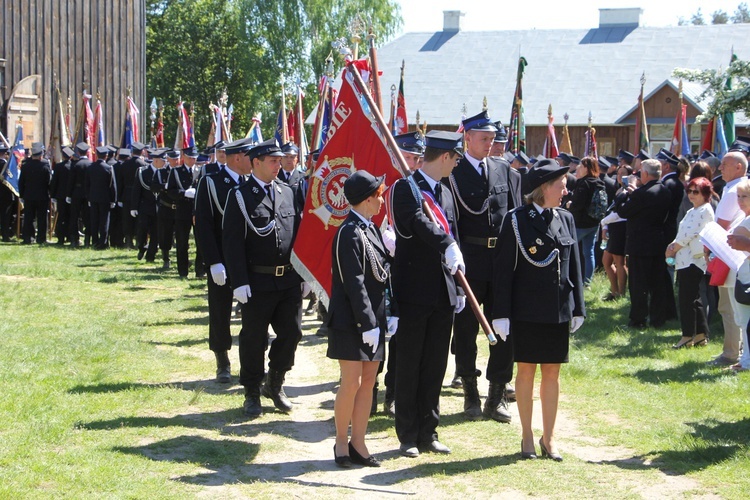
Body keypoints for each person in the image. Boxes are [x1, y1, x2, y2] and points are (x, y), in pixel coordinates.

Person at [492, 158, 585, 461]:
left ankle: (550, 437)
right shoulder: (516, 219)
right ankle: (527, 436)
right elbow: (503, 270)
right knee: (527, 371)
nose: (565, 189)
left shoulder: (565, 218)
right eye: (561, 184)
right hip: (527, 309)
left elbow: (575, 266)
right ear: (544, 188)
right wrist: (500, 313)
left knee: (553, 372)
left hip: (557, 308)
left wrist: (578, 307)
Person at [390, 130, 465, 457]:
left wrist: (459, 283)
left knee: (436, 364)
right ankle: (407, 434)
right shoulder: (405, 188)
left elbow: (453, 233)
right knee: (409, 363)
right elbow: (418, 223)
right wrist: (447, 245)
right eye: (456, 157)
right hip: (413, 289)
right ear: (445, 157)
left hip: (443, 291)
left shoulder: (446, 193)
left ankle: (429, 431)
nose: (458, 163)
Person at [446, 110, 521, 424]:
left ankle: (497, 394)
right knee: (465, 330)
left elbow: (516, 217)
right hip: (469, 261)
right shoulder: (452, 172)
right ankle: (470, 392)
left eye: (493, 139)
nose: (491, 144)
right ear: (468, 138)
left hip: (501, 262)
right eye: (485, 138)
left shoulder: (505, 171)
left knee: (504, 327)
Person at [222, 139, 304, 417]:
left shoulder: (288, 192)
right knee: (254, 338)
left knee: (292, 333)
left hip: (289, 280)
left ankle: (276, 381)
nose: (278, 165)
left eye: (280, 160)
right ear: (256, 162)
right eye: (273, 160)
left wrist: (304, 274)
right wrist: (239, 281)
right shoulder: (240, 196)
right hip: (257, 281)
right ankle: (252, 390)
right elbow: (232, 242)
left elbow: (298, 236)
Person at [326, 171, 393, 468]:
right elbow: (353, 282)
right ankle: (341, 442)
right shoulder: (349, 232)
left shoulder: (371, 228)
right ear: (368, 199)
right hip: (352, 321)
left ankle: (359, 443)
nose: (382, 201)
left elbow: (382, 276)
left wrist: (389, 314)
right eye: (379, 195)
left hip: (374, 320)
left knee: (368, 382)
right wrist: (367, 323)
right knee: (351, 383)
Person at [194, 138, 254, 383]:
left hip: (248, 260)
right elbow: (204, 226)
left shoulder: (252, 183)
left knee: (252, 312)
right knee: (220, 311)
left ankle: (250, 361)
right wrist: (213, 261)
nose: (254, 161)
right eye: (250, 156)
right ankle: (222, 359)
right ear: (237, 157)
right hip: (222, 259)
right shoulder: (212, 182)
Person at [616, 159, 672, 328]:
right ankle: (658, 318)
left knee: (638, 284)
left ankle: (638, 319)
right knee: (657, 283)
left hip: (640, 243)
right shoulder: (665, 190)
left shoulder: (643, 193)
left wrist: (624, 193)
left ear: (646, 174)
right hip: (658, 241)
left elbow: (623, 211)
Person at [707, 152, 748, 367]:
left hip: (730, 255)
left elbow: (720, 224)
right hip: (735, 254)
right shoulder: (736, 187)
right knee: (732, 306)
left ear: (739, 167)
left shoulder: (734, 190)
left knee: (730, 306)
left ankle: (732, 353)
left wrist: (707, 247)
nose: (720, 168)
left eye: (725, 165)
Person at [665, 177, 714, 349]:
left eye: (696, 192)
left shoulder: (705, 210)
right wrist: (672, 246)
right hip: (684, 259)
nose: (691, 195)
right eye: (689, 191)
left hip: (694, 259)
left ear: (705, 194)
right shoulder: (692, 210)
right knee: (694, 297)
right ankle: (700, 334)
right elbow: (682, 232)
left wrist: (672, 249)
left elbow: (690, 234)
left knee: (686, 298)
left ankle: (687, 336)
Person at [566, 156, 605, 286]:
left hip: (580, 224)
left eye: (581, 166)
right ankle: (587, 282)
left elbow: (578, 205)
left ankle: (568, 277)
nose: (578, 168)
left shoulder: (584, 184)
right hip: (594, 223)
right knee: (589, 253)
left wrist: (569, 205)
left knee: (567, 249)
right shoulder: (599, 182)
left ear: (587, 169)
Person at [726, 178, 750, 371]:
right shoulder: (743, 218)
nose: (741, 200)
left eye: (745, 196)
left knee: (747, 320)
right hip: (741, 270)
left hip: (748, 272)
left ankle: (747, 362)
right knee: (742, 320)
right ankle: (744, 359)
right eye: (739, 196)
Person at [600, 164, 632, 301]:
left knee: (620, 262)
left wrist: (603, 222)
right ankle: (614, 291)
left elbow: (622, 213)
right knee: (606, 261)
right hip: (612, 227)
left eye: (623, 174)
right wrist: (605, 226)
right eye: (618, 173)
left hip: (621, 228)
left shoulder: (629, 191)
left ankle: (621, 293)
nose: (620, 176)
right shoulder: (618, 190)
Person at [131, 149, 163, 262]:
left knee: (156, 232)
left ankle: (151, 255)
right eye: (162, 160)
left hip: (159, 207)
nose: (165, 162)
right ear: (156, 160)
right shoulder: (142, 172)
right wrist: (134, 207)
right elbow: (137, 190)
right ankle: (141, 247)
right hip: (145, 206)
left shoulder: (165, 172)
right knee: (142, 230)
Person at [18, 142, 52, 245]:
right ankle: (41, 238)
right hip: (42, 196)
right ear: (41, 154)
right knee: (42, 218)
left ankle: (28, 238)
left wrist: (21, 195)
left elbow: (21, 182)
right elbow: (49, 181)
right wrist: (50, 193)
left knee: (29, 217)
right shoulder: (45, 164)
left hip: (29, 195)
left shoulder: (25, 165)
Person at [85, 146, 117, 249]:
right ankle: (103, 242)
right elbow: (112, 185)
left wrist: (88, 197)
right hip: (105, 198)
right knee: (104, 221)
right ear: (106, 156)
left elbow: (87, 184)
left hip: (93, 197)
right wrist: (113, 199)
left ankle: (94, 241)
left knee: (94, 220)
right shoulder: (109, 168)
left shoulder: (90, 167)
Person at [66, 143, 92, 247]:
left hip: (76, 192)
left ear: (78, 152)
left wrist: (68, 194)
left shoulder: (75, 165)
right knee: (87, 217)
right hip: (87, 193)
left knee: (74, 217)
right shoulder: (91, 164)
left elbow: (70, 181)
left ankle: (74, 239)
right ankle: (87, 240)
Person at [49, 147, 74, 245]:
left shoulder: (58, 167)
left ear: (63, 156)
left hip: (60, 195)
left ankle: (60, 238)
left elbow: (54, 182)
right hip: (71, 195)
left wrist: (53, 194)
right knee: (71, 217)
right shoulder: (73, 166)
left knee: (61, 217)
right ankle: (70, 237)